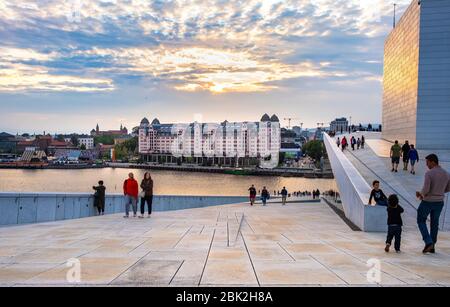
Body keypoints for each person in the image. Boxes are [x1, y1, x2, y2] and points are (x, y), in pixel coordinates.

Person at [416, 154, 450, 253]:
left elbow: (426, 189)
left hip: (428, 201)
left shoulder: (429, 173)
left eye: (427, 162)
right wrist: (439, 192)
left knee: (421, 220)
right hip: (439, 202)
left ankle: (428, 241)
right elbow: (449, 187)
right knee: (434, 223)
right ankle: (433, 246)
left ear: (433, 162)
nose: (427, 165)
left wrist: (421, 194)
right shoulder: (446, 173)